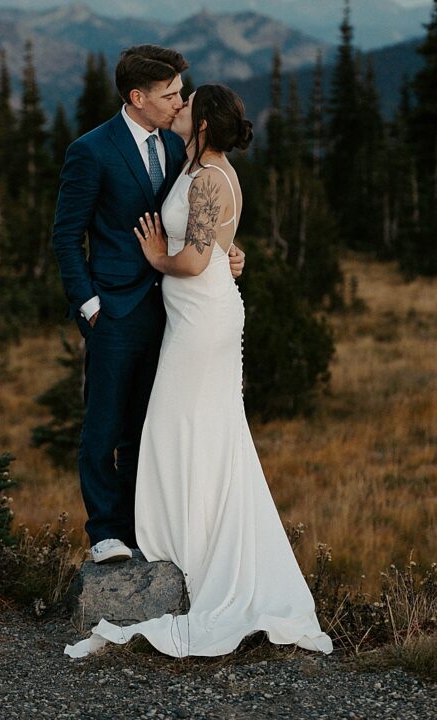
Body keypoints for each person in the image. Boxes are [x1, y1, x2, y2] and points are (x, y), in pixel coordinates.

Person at [65, 85, 333, 658]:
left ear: (205, 122)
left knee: (182, 423)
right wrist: (222, 251)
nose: (178, 106)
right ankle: (175, 536)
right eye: (172, 98)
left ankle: (195, 544)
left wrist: (159, 256)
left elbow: (193, 257)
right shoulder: (187, 161)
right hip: (183, 314)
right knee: (183, 425)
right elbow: (213, 242)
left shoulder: (210, 175)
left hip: (202, 317)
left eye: (186, 104)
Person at [52, 48, 245, 565]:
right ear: (137, 98)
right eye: (170, 95)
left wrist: (226, 253)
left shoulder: (179, 146)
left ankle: (143, 528)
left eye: (181, 91)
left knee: (150, 424)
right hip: (113, 309)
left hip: (175, 313)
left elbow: (199, 222)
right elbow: (66, 236)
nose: (180, 100)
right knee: (104, 424)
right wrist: (89, 304)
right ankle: (106, 534)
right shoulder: (91, 151)